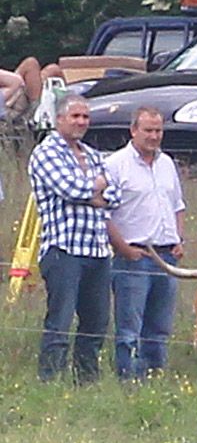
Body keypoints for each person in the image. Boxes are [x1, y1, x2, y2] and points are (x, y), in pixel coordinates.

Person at [28, 93, 121, 383]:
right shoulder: (46, 153)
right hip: (64, 250)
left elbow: (116, 195)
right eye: (75, 117)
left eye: (85, 117)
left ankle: (86, 381)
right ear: (59, 120)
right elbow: (72, 190)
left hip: (97, 250)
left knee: (96, 324)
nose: (81, 122)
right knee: (60, 322)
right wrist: (95, 189)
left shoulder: (92, 154)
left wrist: (95, 192)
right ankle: (51, 380)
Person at [105, 106, 186, 381]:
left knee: (160, 327)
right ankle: (128, 381)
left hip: (167, 258)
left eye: (158, 130)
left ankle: (154, 379)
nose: (154, 136)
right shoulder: (115, 165)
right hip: (134, 256)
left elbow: (177, 205)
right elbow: (104, 213)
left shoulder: (167, 164)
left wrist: (179, 238)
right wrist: (123, 249)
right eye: (148, 130)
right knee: (130, 329)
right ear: (133, 131)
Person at [0, 57, 65, 121]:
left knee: (54, 69)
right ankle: (36, 111)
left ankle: (71, 103)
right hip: (11, 104)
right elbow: (17, 81)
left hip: (14, 92)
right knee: (31, 64)